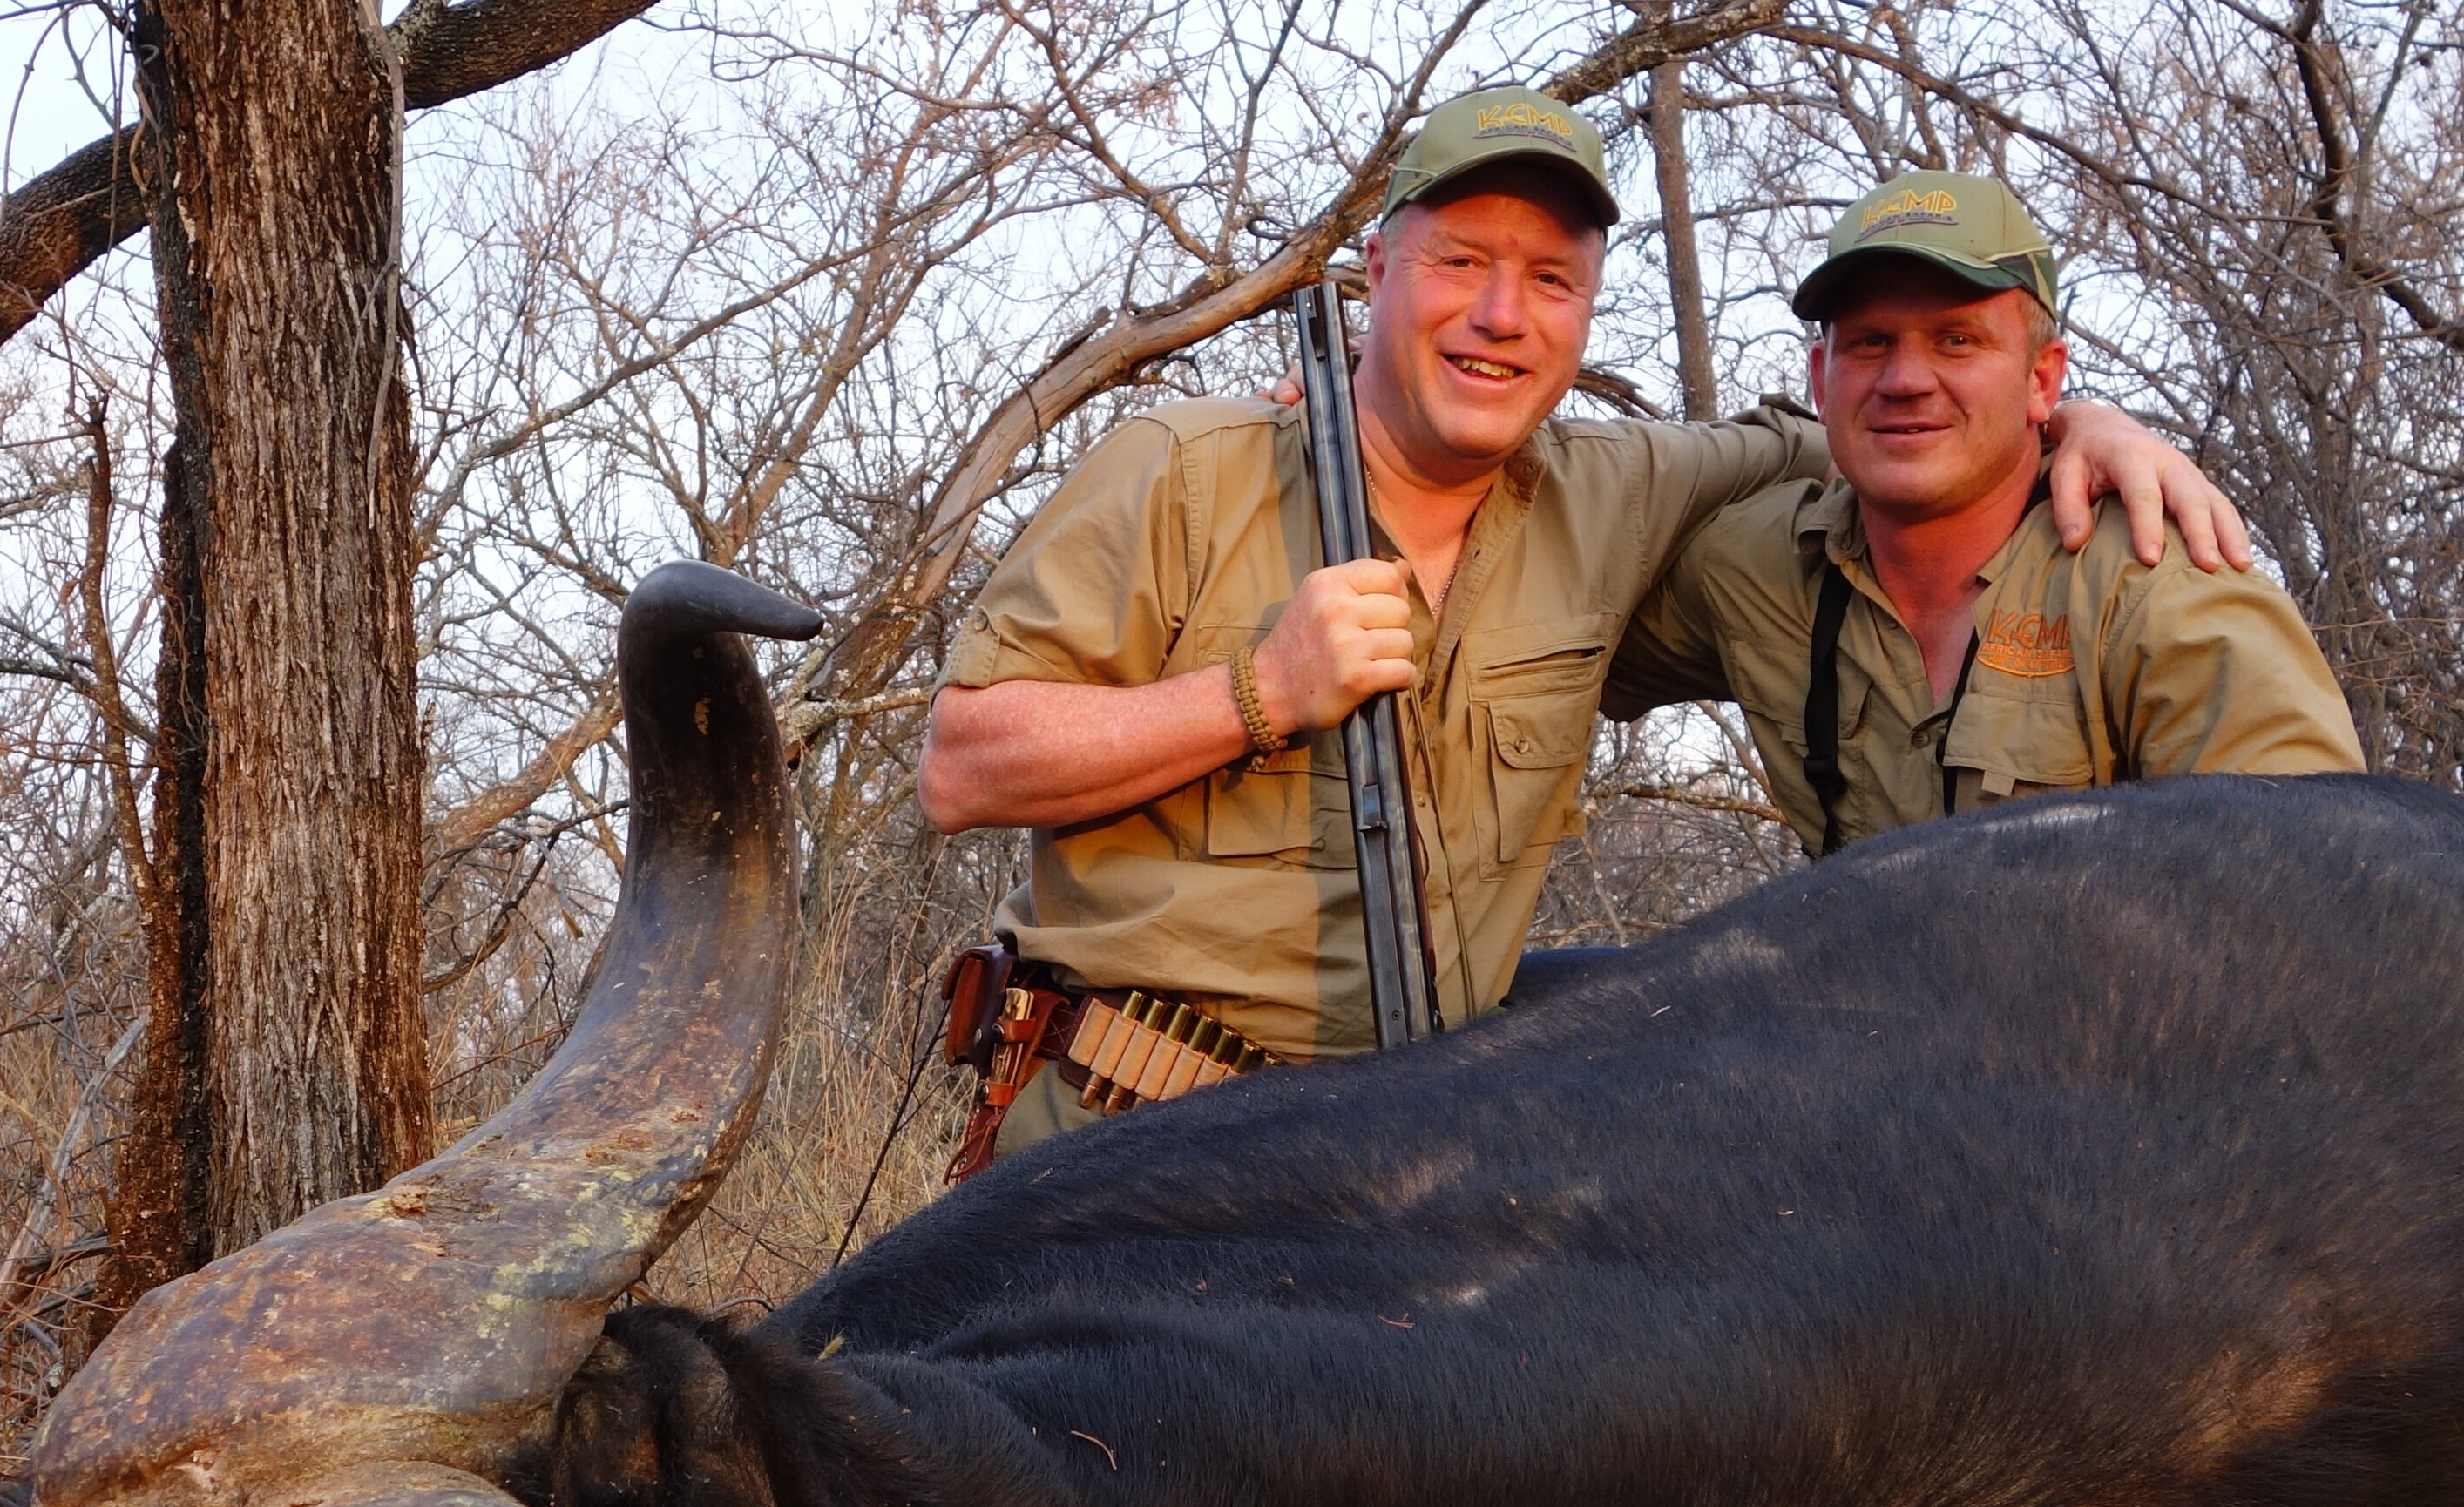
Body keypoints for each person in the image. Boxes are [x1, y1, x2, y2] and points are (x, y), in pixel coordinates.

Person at [918, 92, 2251, 1167]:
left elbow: (1850, 438)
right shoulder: (1179, 468)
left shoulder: (1615, 493)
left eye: (1551, 279)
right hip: (1116, 1149)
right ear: (1379, 271)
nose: (1504, 315)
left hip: (1392, 1181)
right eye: (1462, 264)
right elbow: (967, 764)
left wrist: (2082, 423)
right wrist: (1261, 690)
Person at [1604, 172, 2360, 851]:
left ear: (2041, 379)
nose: (1904, 379)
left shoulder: (2159, 587)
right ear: (1821, 380)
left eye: (1957, 340)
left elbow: (2317, 882)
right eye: (1869, 343)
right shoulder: (1756, 570)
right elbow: (1557, 645)